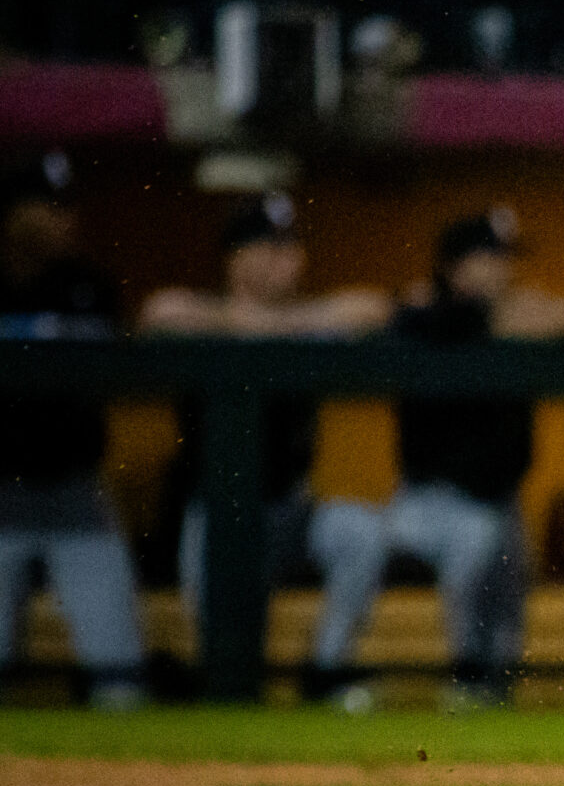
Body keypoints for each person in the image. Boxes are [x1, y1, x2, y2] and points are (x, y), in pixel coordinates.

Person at [307, 210, 564, 709]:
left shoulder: (502, 317)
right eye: (489, 257)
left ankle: (481, 683)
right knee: (372, 540)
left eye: (506, 259)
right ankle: (329, 670)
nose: (502, 269)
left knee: (505, 617)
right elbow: (403, 316)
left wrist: (498, 319)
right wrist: (490, 319)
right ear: (455, 267)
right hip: (424, 501)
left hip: (500, 498)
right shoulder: (422, 318)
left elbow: (562, 316)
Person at [137, 194, 393, 677]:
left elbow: (374, 308)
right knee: (217, 648)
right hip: (215, 510)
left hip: (291, 508)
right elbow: (158, 313)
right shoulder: (200, 314)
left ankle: (326, 670)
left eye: (292, 247)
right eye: (271, 248)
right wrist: (242, 324)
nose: (289, 260)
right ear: (236, 257)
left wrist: (276, 326)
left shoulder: (308, 321)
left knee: (361, 534)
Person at [0, 153, 147, 709]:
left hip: (76, 493)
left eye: (68, 207)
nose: (64, 219)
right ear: (13, 214)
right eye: (49, 206)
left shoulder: (90, 286)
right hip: (1, 493)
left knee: (121, 681)